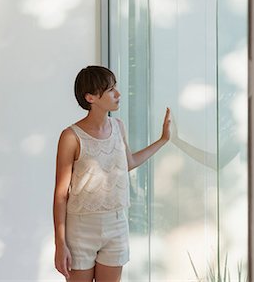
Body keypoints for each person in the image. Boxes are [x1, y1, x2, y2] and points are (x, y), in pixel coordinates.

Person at [53, 65, 171, 282]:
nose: (118, 94)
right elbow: (60, 195)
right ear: (90, 97)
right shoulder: (70, 137)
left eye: (116, 87)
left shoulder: (118, 126)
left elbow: (129, 162)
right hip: (81, 228)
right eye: (110, 90)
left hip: (116, 223)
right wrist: (60, 244)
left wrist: (163, 140)